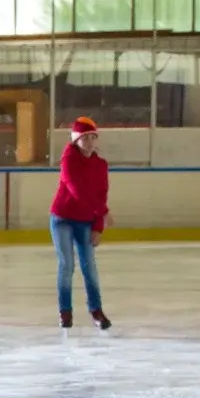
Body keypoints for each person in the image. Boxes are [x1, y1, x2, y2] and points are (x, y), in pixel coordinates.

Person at [51, 116, 111, 330]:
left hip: (85, 221)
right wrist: (103, 212)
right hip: (62, 219)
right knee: (67, 264)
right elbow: (76, 190)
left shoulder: (101, 165)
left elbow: (101, 195)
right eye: (84, 138)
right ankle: (65, 312)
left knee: (90, 267)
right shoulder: (68, 159)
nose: (89, 141)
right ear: (76, 140)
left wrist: (98, 226)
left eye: (93, 137)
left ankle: (96, 311)